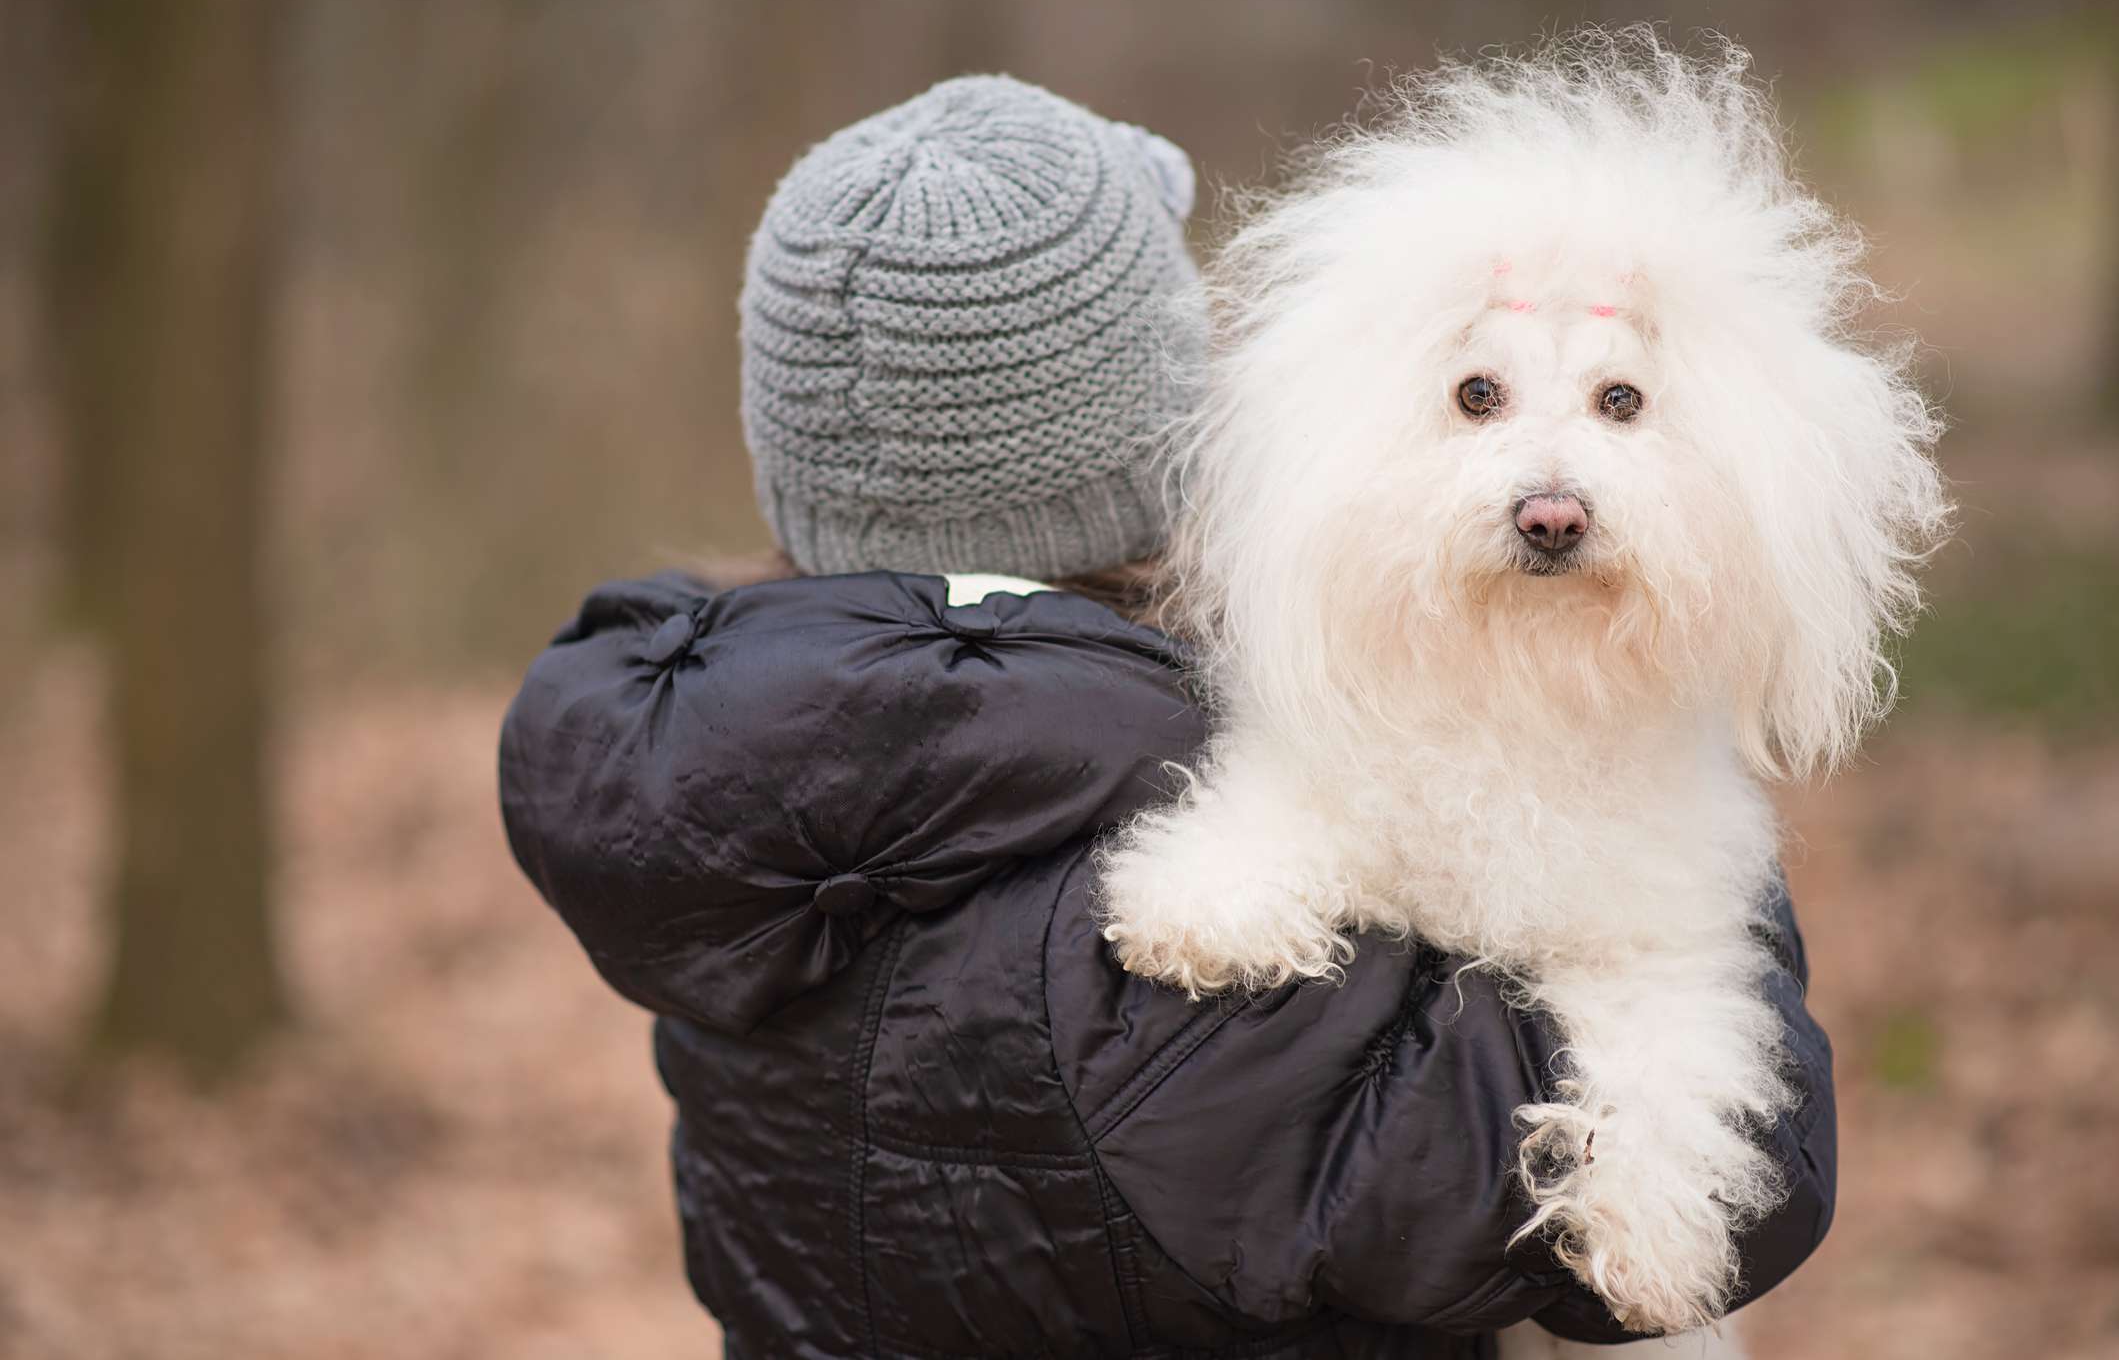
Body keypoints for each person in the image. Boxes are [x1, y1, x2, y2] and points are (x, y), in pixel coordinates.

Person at [498, 77, 1836, 1359]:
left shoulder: (724, 787)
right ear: (1173, 437)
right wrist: (1662, 760)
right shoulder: (1129, 877)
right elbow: (1689, 1209)